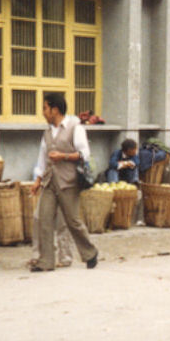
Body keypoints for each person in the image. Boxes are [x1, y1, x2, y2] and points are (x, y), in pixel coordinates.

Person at [30, 92, 98, 272]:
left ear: (55, 109)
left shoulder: (75, 127)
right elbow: (42, 159)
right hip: (50, 181)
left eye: (45, 108)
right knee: (43, 219)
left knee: (72, 221)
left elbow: (85, 155)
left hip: (68, 182)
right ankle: (46, 261)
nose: (43, 112)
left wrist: (63, 156)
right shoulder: (47, 133)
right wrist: (37, 179)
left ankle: (90, 253)